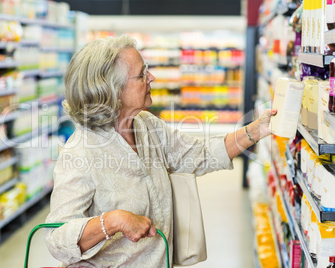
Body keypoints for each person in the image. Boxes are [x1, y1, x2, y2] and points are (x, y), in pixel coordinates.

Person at [45, 35, 276, 267]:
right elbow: (57, 238)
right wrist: (113, 221)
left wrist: (256, 130)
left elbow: (199, 154)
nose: (151, 77)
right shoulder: (80, 151)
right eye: (142, 74)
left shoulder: (147, 124)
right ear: (113, 91)